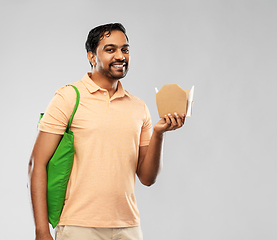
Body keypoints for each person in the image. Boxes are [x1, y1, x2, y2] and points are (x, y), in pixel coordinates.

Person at [28, 23, 186, 240]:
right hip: (79, 226)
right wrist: (41, 231)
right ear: (92, 57)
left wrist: (159, 133)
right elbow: (37, 164)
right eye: (110, 49)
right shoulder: (68, 98)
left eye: (125, 49)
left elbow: (147, 178)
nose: (121, 56)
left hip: (128, 227)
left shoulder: (138, 107)